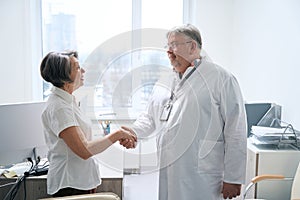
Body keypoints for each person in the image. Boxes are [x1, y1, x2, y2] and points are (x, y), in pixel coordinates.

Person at [121, 24, 247, 199]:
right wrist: (133, 132)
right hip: (169, 169)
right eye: (167, 46)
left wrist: (233, 178)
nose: (168, 51)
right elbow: (150, 117)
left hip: (202, 176)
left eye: (174, 45)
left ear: (192, 46)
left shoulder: (221, 78)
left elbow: (236, 130)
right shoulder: (164, 80)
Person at [40, 51, 136, 197]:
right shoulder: (60, 107)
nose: (83, 70)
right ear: (65, 77)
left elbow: (83, 138)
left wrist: (117, 133)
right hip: (70, 184)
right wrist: (117, 135)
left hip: (79, 181)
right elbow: (84, 150)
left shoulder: (68, 101)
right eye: (77, 68)